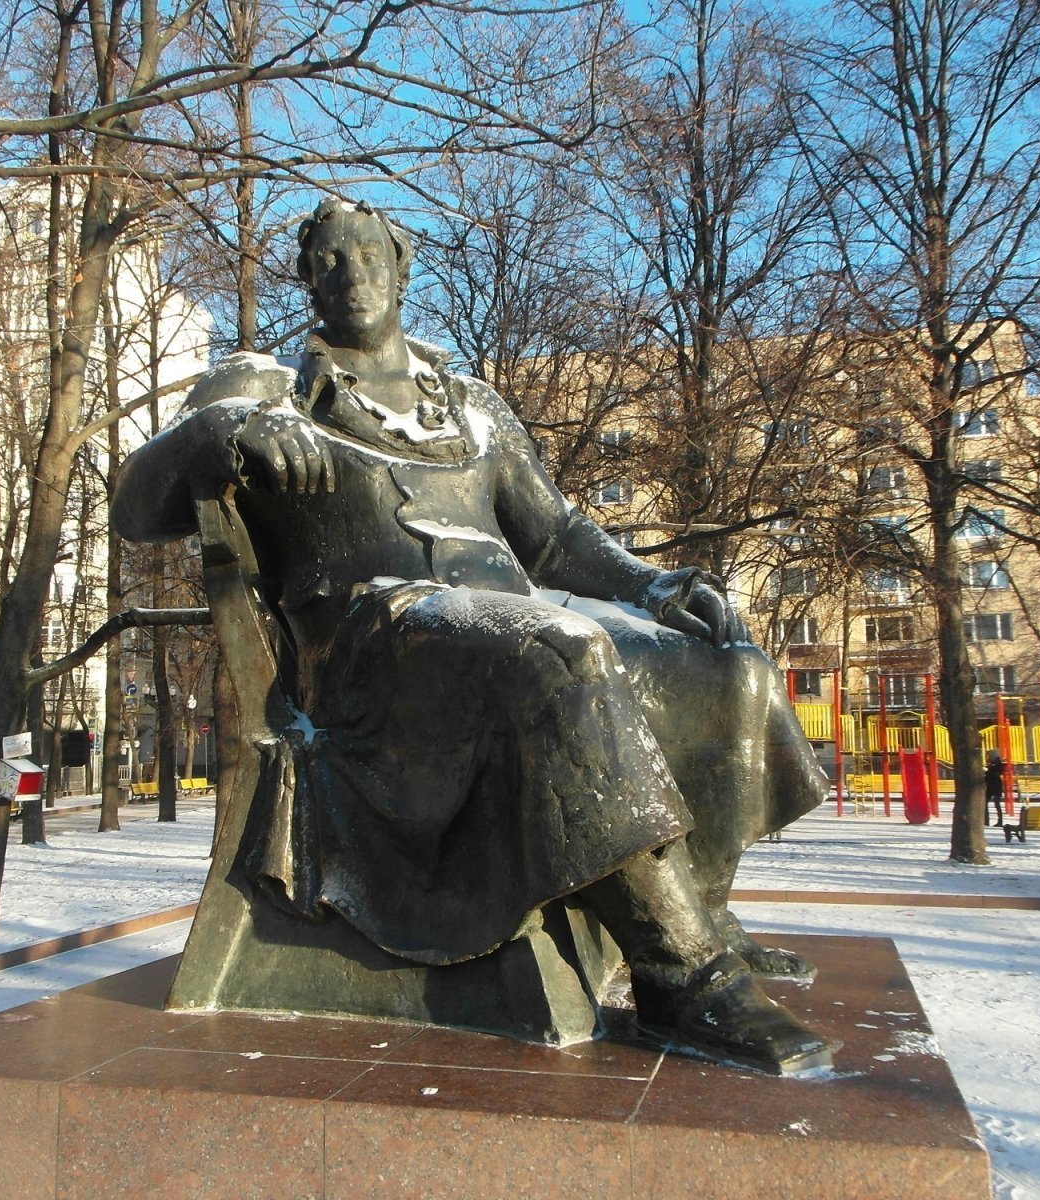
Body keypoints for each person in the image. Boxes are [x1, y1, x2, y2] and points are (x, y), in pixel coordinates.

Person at [111, 198, 833, 1073]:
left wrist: (653, 585)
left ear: (403, 269)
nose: (353, 275)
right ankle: (687, 979)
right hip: (376, 645)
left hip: (504, 624)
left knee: (728, 667)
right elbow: (135, 506)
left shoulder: (469, 402)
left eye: (370, 256)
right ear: (306, 278)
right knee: (563, 652)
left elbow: (556, 538)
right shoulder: (267, 387)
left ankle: (698, 907)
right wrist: (229, 431)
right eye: (330, 260)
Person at [986, 752, 1007, 827]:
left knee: (997, 804)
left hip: (995, 786)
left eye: (989, 755)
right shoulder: (991, 763)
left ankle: (1000, 821)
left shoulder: (998, 764)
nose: (987, 757)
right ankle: (986, 821)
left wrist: (988, 769)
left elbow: (996, 774)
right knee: (985, 804)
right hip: (990, 787)